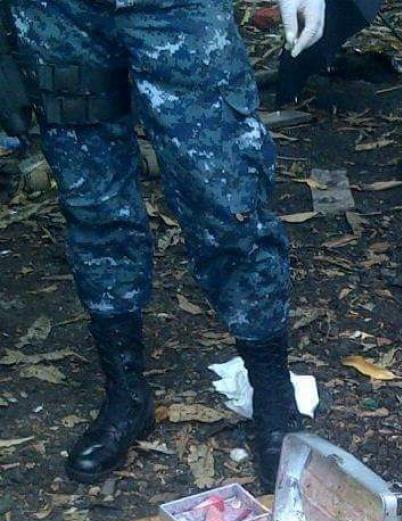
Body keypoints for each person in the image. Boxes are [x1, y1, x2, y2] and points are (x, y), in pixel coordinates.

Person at [1, 0, 328, 491]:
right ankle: (127, 397)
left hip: (177, 9)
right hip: (58, 14)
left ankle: (273, 396)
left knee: (227, 197)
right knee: (94, 207)